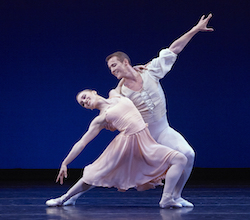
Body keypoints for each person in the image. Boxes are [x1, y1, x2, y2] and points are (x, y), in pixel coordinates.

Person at [105, 14, 214, 207]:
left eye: (114, 65)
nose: (112, 70)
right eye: (110, 69)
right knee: (105, 168)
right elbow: (111, 108)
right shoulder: (119, 92)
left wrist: (195, 29)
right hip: (143, 137)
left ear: (125, 62)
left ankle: (174, 197)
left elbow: (174, 49)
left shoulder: (150, 71)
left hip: (162, 129)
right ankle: (68, 197)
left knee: (188, 154)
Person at [46, 89, 187, 208]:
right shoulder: (100, 119)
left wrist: (139, 69)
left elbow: (125, 74)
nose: (85, 102)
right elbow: (82, 142)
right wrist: (65, 163)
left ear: (93, 92)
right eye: (83, 104)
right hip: (125, 145)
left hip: (145, 140)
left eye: (84, 97)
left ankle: (167, 198)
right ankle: (63, 198)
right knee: (95, 174)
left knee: (180, 159)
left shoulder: (115, 93)